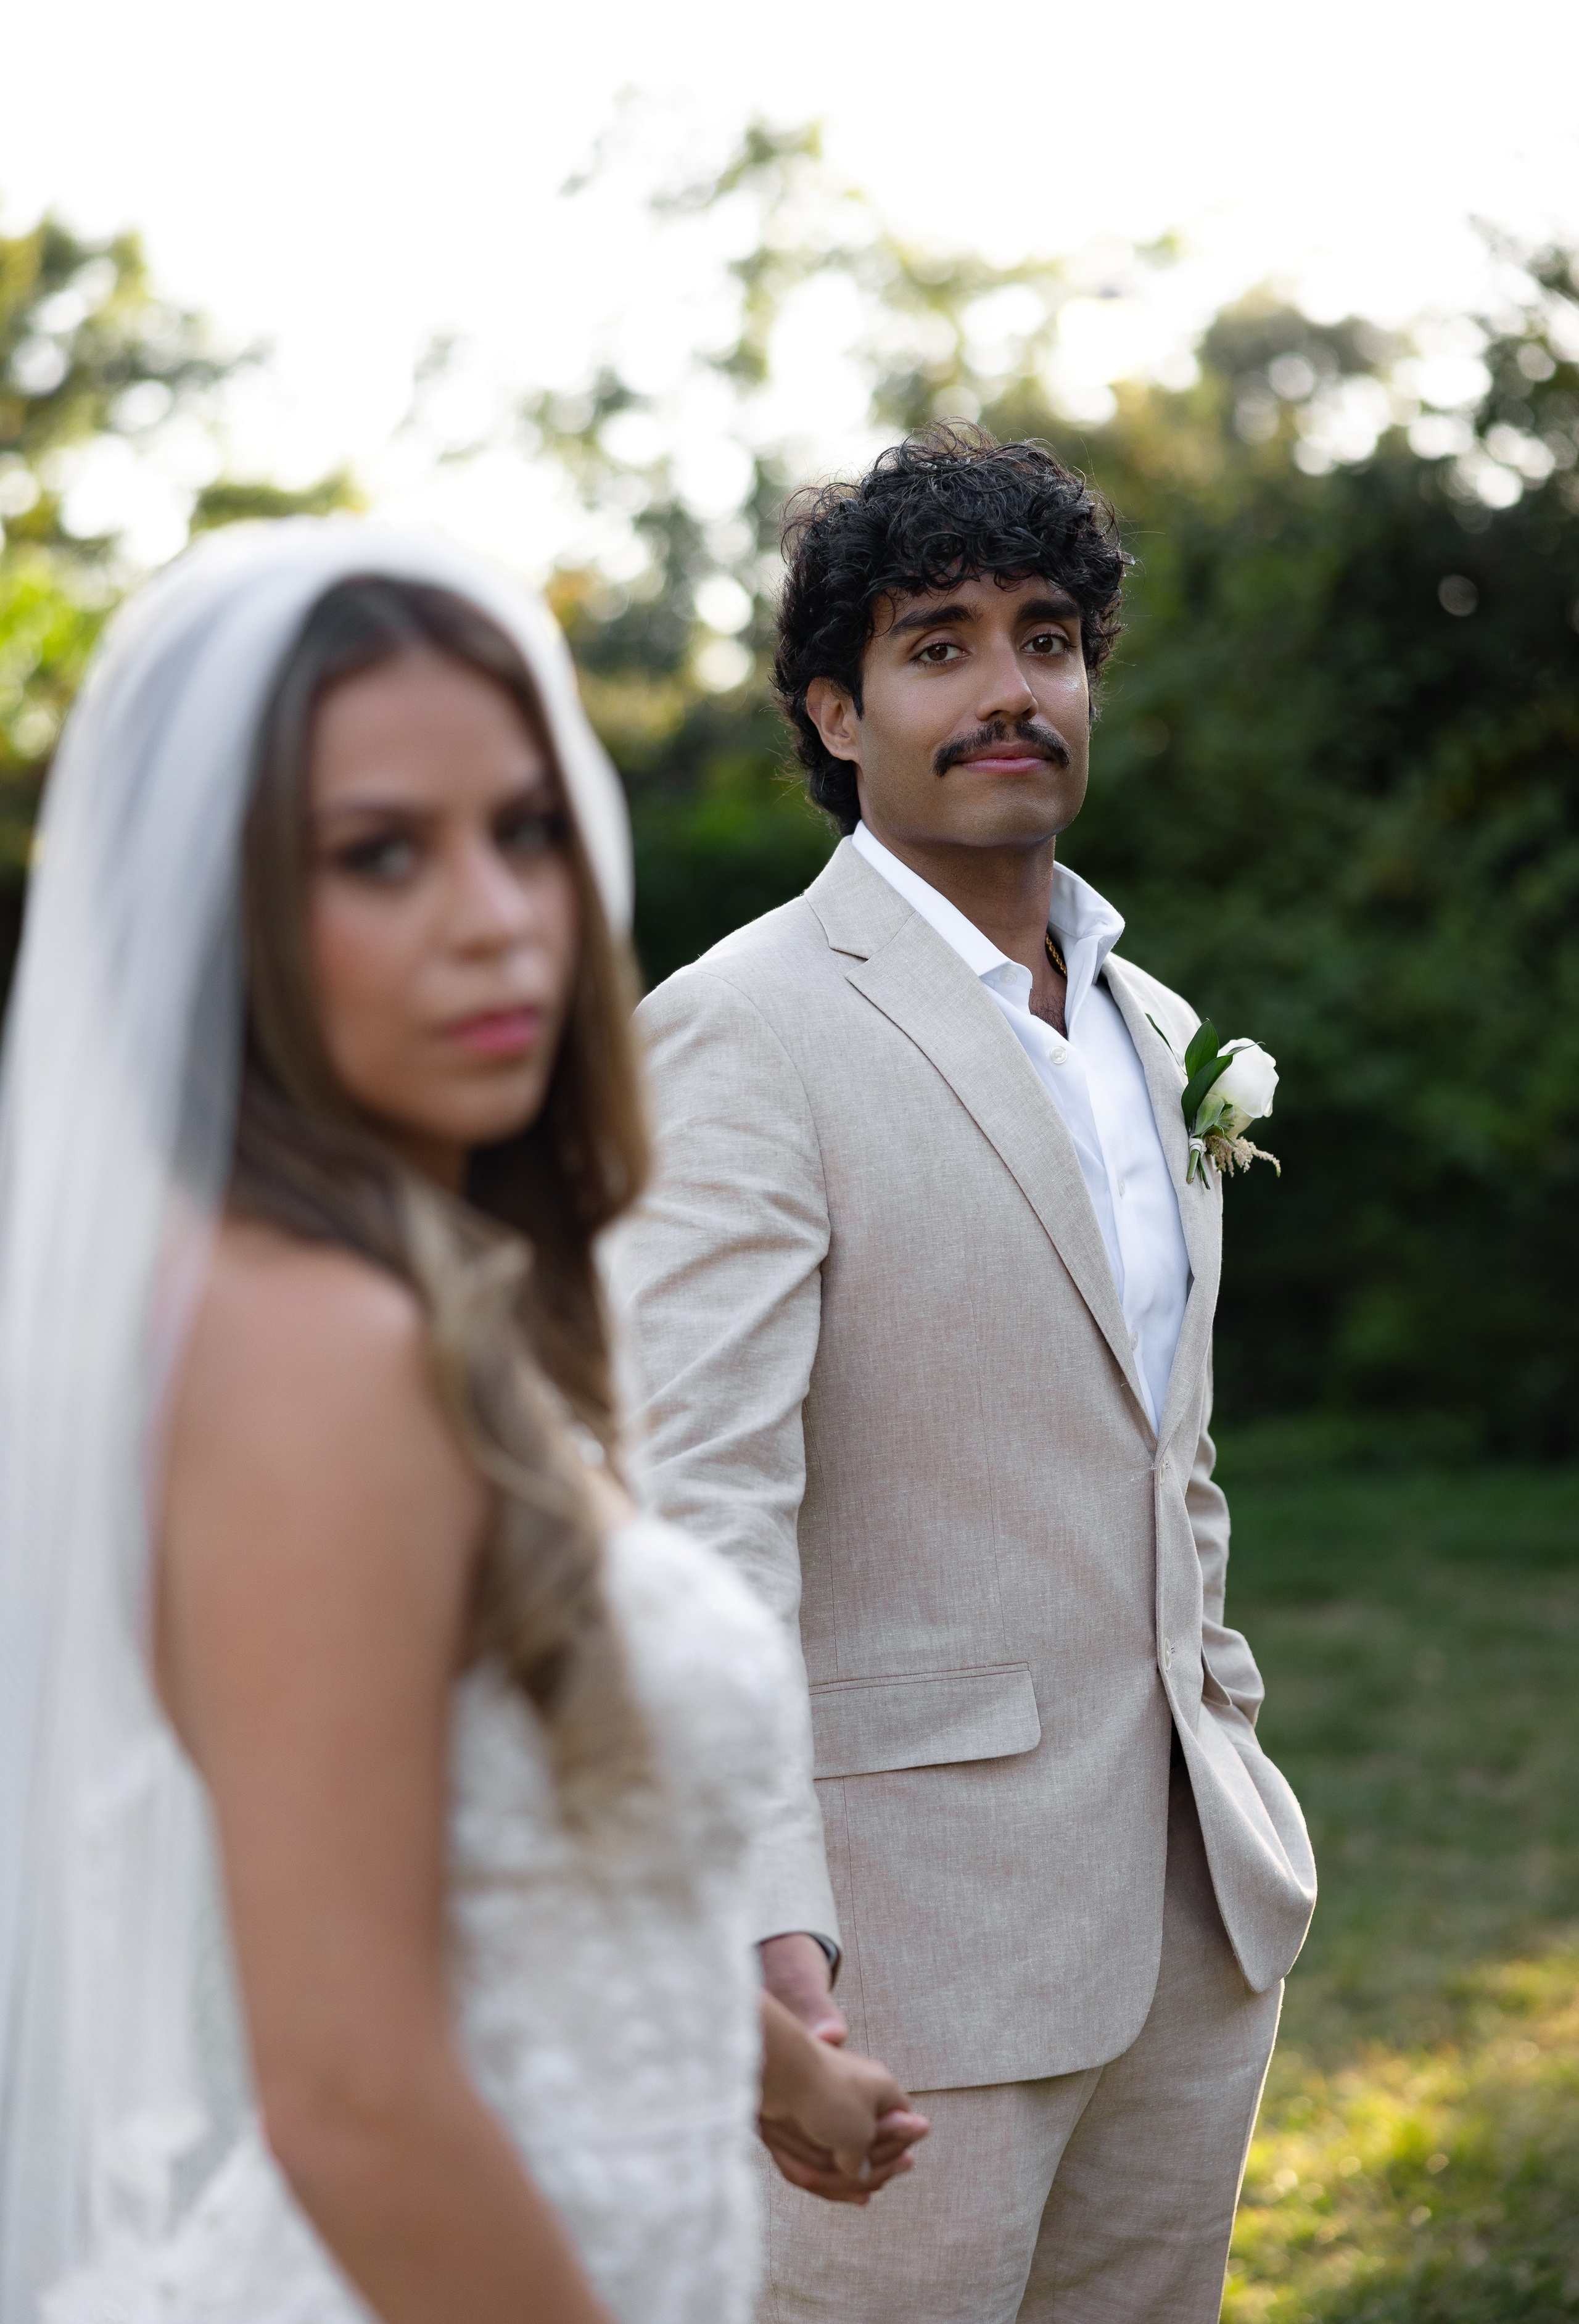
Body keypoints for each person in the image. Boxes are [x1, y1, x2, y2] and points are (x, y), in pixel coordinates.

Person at [0, 521, 926, 2324]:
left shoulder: (419, 1291)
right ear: (227, 917)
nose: (496, 915)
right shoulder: (310, 1347)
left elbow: (480, 1861)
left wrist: (777, 2068)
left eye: (523, 832)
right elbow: (353, 2095)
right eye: (378, 856)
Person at [610, 424, 1317, 2321]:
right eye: (941, 646)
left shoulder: (1156, 1026)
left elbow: (1166, 1447)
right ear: (839, 714)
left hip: (1192, 1910)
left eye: (1049, 637)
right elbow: (698, 1524)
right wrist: (768, 1940)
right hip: (894, 1948)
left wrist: (1226, 1731)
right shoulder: (742, 1033)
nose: (1012, 690)